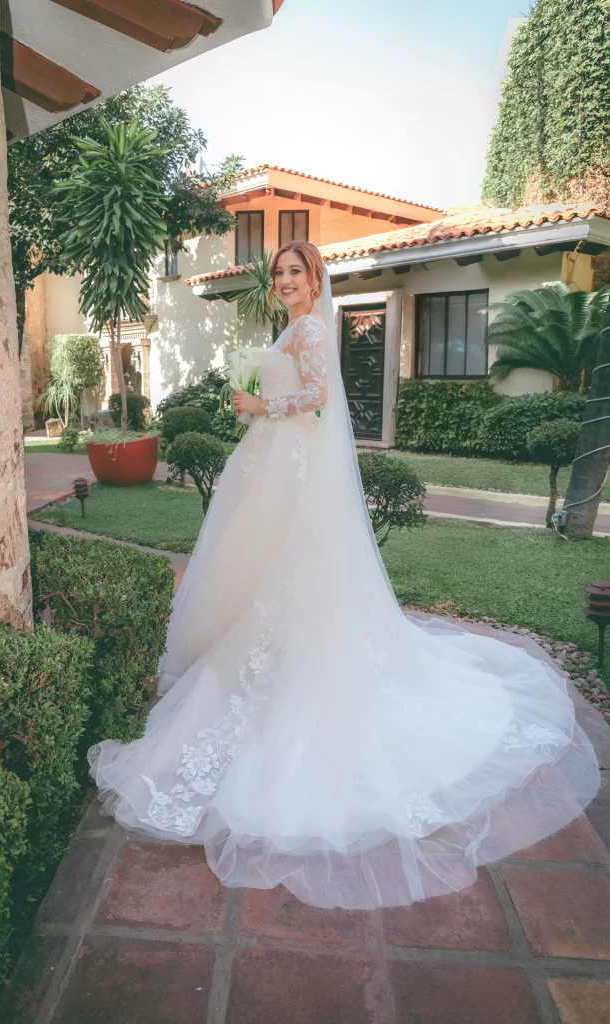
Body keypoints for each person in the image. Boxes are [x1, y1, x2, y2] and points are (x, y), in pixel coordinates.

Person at [89, 241, 600, 910]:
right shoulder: (293, 325)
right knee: (264, 576)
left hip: (290, 466)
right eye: (277, 273)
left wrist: (253, 404)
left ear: (314, 279)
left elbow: (315, 397)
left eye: (293, 272)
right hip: (274, 464)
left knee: (286, 582)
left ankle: (287, 671)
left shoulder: (311, 327)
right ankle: (267, 659)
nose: (284, 281)